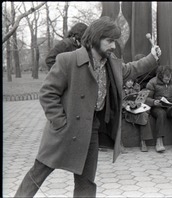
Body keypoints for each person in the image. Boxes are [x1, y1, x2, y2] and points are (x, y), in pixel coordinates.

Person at [14, 16, 161, 198]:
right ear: (95, 39)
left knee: (86, 182)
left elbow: (131, 69)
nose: (113, 46)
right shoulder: (68, 60)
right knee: (37, 174)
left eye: (114, 41)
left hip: (91, 130)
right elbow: (47, 93)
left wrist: (152, 57)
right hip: (64, 130)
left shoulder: (111, 63)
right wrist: (60, 122)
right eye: (109, 41)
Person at [145, 65, 172, 153]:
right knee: (161, 114)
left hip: (170, 106)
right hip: (157, 107)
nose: (168, 80)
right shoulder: (152, 82)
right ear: (160, 76)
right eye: (166, 79)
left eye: (169, 78)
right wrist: (154, 102)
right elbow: (146, 98)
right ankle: (159, 142)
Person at [122, 78, 153, 152]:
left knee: (144, 115)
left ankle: (143, 142)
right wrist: (127, 105)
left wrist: (135, 105)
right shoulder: (121, 91)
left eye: (131, 81)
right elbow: (120, 103)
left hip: (135, 110)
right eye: (128, 81)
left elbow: (139, 102)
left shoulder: (134, 90)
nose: (130, 83)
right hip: (125, 112)